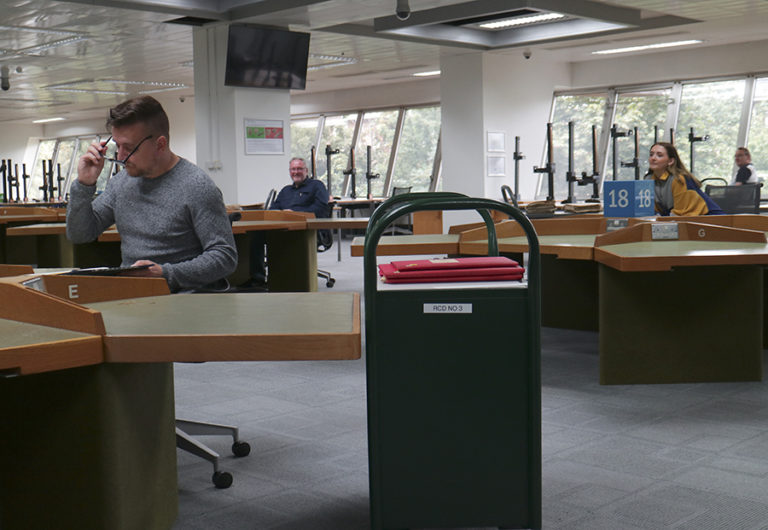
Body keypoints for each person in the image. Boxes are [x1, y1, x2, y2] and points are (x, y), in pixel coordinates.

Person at [66, 95, 237, 292]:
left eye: (129, 148)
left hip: (185, 298)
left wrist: (164, 274)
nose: (120, 157)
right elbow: (79, 234)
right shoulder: (120, 184)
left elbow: (225, 257)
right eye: (117, 147)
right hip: (135, 294)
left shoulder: (196, 186)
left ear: (160, 144)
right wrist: (84, 184)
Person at [248, 158, 330, 286]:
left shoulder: (317, 186)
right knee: (255, 234)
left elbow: (320, 208)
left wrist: (295, 214)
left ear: (306, 171)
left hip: (307, 230)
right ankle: (258, 279)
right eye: (293, 169)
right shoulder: (286, 190)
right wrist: (281, 214)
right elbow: (273, 210)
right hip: (283, 228)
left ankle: (294, 279)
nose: (296, 172)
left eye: (299, 169)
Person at [645, 142, 723, 216]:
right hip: (681, 221)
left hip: (708, 218)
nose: (653, 158)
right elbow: (652, 210)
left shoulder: (679, 179)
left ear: (670, 161)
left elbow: (680, 213)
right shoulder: (648, 179)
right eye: (651, 155)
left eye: (659, 155)